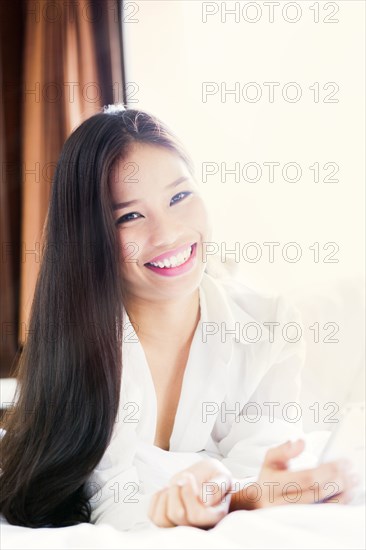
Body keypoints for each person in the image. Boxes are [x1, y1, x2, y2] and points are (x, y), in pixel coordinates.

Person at [0, 106, 356, 530]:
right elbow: (111, 500)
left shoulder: (269, 324)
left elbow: (259, 466)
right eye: (129, 216)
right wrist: (170, 509)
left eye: (179, 196)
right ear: (89, 238)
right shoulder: (81, 345)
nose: (167, 234)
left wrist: (239, 496)